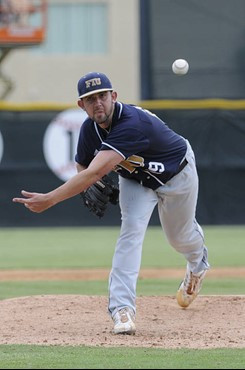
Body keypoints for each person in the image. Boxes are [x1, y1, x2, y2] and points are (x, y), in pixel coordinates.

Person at [13, 71, 210, 335]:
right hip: (137, 181)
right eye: (90, 99)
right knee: (130, 233)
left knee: (179, 237)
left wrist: (50, 199)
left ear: (114, 96)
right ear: (81, 105)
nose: (98, 103)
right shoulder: (89, 130)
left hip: (177, 173)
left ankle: (197, 265)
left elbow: (92, 173)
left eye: (102, 96)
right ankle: (122, 310)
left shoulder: (130, 123)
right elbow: (83, 164)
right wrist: (92, 182)